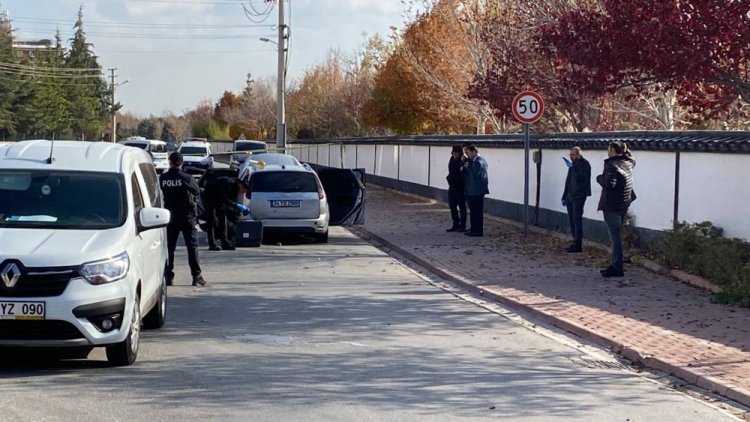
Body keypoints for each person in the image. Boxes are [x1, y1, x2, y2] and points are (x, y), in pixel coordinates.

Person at [160, 152, 206, 287]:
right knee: (192, 247)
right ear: (182, 163)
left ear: (170, 162)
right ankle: (196, 276)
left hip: (170, 216)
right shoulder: (187, 178)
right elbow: (197, 191)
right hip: (187, 216)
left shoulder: (163, 178)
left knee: (169, 247)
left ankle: (168, 276)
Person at [596, 142, 636, 278]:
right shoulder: (628, 162)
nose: (607, 151)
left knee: (615, 237)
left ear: (612, 150)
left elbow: (610, 184)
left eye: (608, 149)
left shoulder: (611, 164)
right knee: (618, 235)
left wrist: (599, 178)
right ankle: (616, 264)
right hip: (624, 202)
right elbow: (631, 157)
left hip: (611, 204)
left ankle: (617, 266)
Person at [203, 176, 250, 251]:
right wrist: (238, 206)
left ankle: (225, 242)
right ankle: (212, 244)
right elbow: (225, 199)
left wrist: (239, 212)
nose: (243, 193)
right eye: (243, 191)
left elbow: (232, 203)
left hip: (220, 199)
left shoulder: (236, 188)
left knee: (223, 219)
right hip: (209, 196)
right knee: (212, 219)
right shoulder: (228, 183)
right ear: (241, 185)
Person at [562, 146, 592, 253]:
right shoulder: (573, 165)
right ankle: (574, 241)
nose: (571, 157)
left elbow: (580, 178)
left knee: (577, 219)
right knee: (571, 219)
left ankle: (578, 244)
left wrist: (572, 168)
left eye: (573, 155)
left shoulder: (584, 164)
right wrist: (564, 195)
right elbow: (568, 181)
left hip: (579, 195)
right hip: (570, 195)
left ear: (579, 154)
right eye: (570, 155)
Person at [463, 144, 489, 237]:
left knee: (477, 211)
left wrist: (468, 166)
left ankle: (478, 230)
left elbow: (476, 174)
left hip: (477, 190)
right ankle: (473, 228)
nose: (467, 155)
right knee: (473, 211)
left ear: (474, 151)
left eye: (468, 153)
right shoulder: (474, 161)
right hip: (472, 190)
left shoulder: (479, 162)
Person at [446, 145, 467, 232]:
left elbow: (463, 173)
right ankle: (455, 224)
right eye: (454, 153)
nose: (455, 155)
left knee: (462, 206)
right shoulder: (451, 159)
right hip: (452, 186)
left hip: (460, 187)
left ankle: (462, 225)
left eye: (457, 153)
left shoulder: (463, 160)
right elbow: (450, 171)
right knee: (452, 206)